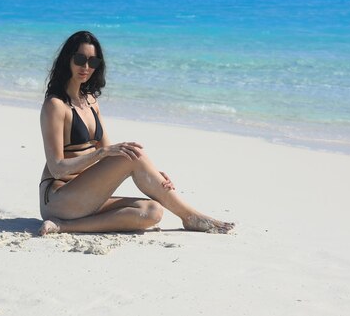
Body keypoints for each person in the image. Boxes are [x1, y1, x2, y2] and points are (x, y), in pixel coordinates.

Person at [38, 31, 235, 236]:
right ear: (67, 59)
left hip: (86, 196)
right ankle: (191, 217)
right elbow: (57, 168)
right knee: (132, 154)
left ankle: (64, 226)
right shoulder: (56, 105)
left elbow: (112, 157)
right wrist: (101, 153)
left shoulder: (90, 101)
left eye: (92, 61)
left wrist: (154, 176)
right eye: (79, 59)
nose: (86, 67)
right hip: (58, 198)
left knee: (152, 211)